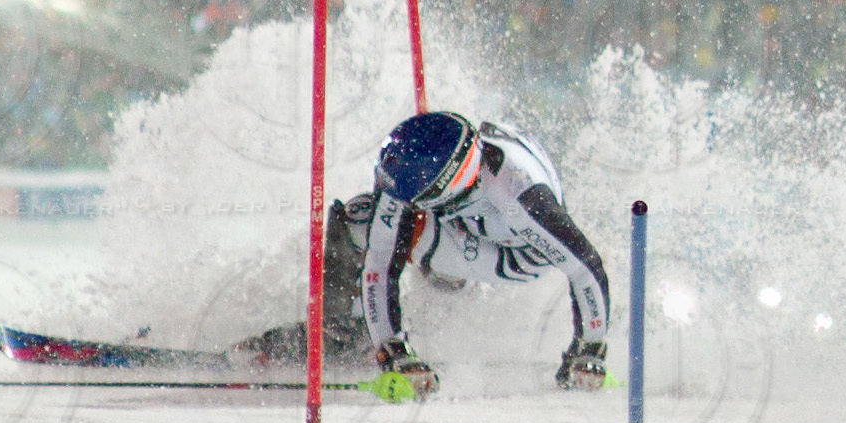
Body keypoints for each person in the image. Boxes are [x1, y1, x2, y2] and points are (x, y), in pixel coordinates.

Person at [242, 110, 612, 395]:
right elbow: (380, 260)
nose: (397, 199)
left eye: (414, 196)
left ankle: (438, 283)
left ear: (444, 190)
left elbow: (584, 267)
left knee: (395, 225)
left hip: (515, 254)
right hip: (466, 221)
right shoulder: (413, 169)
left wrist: (589, 349)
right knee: (361, 219)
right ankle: (347, 329)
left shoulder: (522, 195)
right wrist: (392, 349)